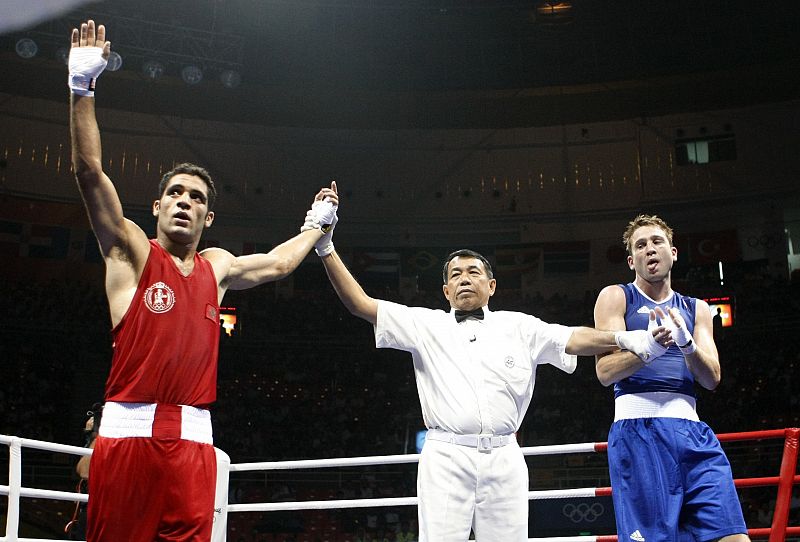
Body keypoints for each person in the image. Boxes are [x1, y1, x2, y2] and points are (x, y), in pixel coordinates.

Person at [68, 20, 338, 542]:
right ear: (157, 206)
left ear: (207, 217)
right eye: (175, 193)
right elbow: (89, 174)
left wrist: (316, 224)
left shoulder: (217, 267)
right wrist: (82, 87)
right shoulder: (131, 250)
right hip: (127, 433)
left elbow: (278, 264)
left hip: (194, 439)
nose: (185, 202)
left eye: (196, 197)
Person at [313, 189, 663, 542]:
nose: (464, 278)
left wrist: (625, 338)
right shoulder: (425, 324)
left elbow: (573, 338)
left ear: (492, 285)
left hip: (505, 457)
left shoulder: (520, 326)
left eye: (473, 272)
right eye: (456, 274)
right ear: (446, 291)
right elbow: (360, 304)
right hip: (446, 456)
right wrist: (326, 246)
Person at [593, 214, 749, 542]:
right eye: (640, 246)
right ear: (631, 261)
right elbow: (605, 372)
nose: (649, 249)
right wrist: (648, 349)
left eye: (656, 242)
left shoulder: (697, 308)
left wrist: (687, 344)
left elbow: (712, 378)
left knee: (733, 536)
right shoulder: (616, 297)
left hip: (694, 434)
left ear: (673, 252)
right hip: (639, 432)